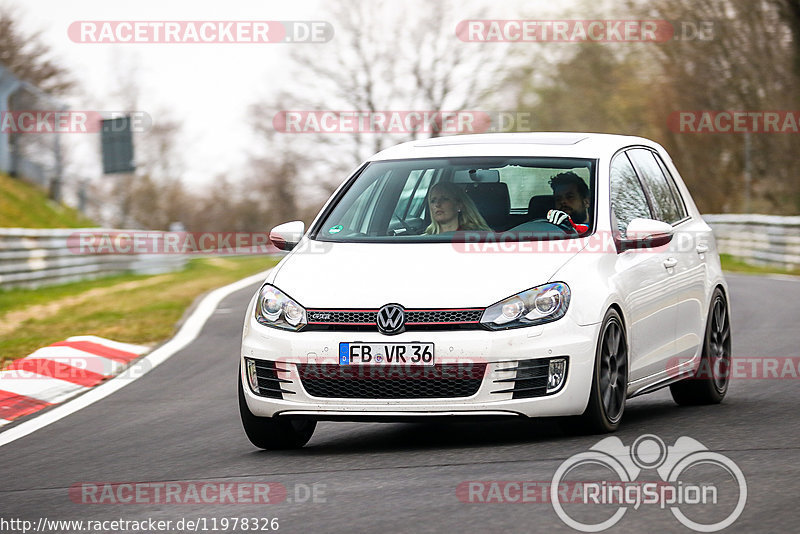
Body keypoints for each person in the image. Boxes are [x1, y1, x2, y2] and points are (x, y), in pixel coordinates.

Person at [424, 182, 491, 234]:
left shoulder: (478, 236)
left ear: (459, 205)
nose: (437, 204)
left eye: (444, 199)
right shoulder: (423, 239)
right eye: (433, 201)